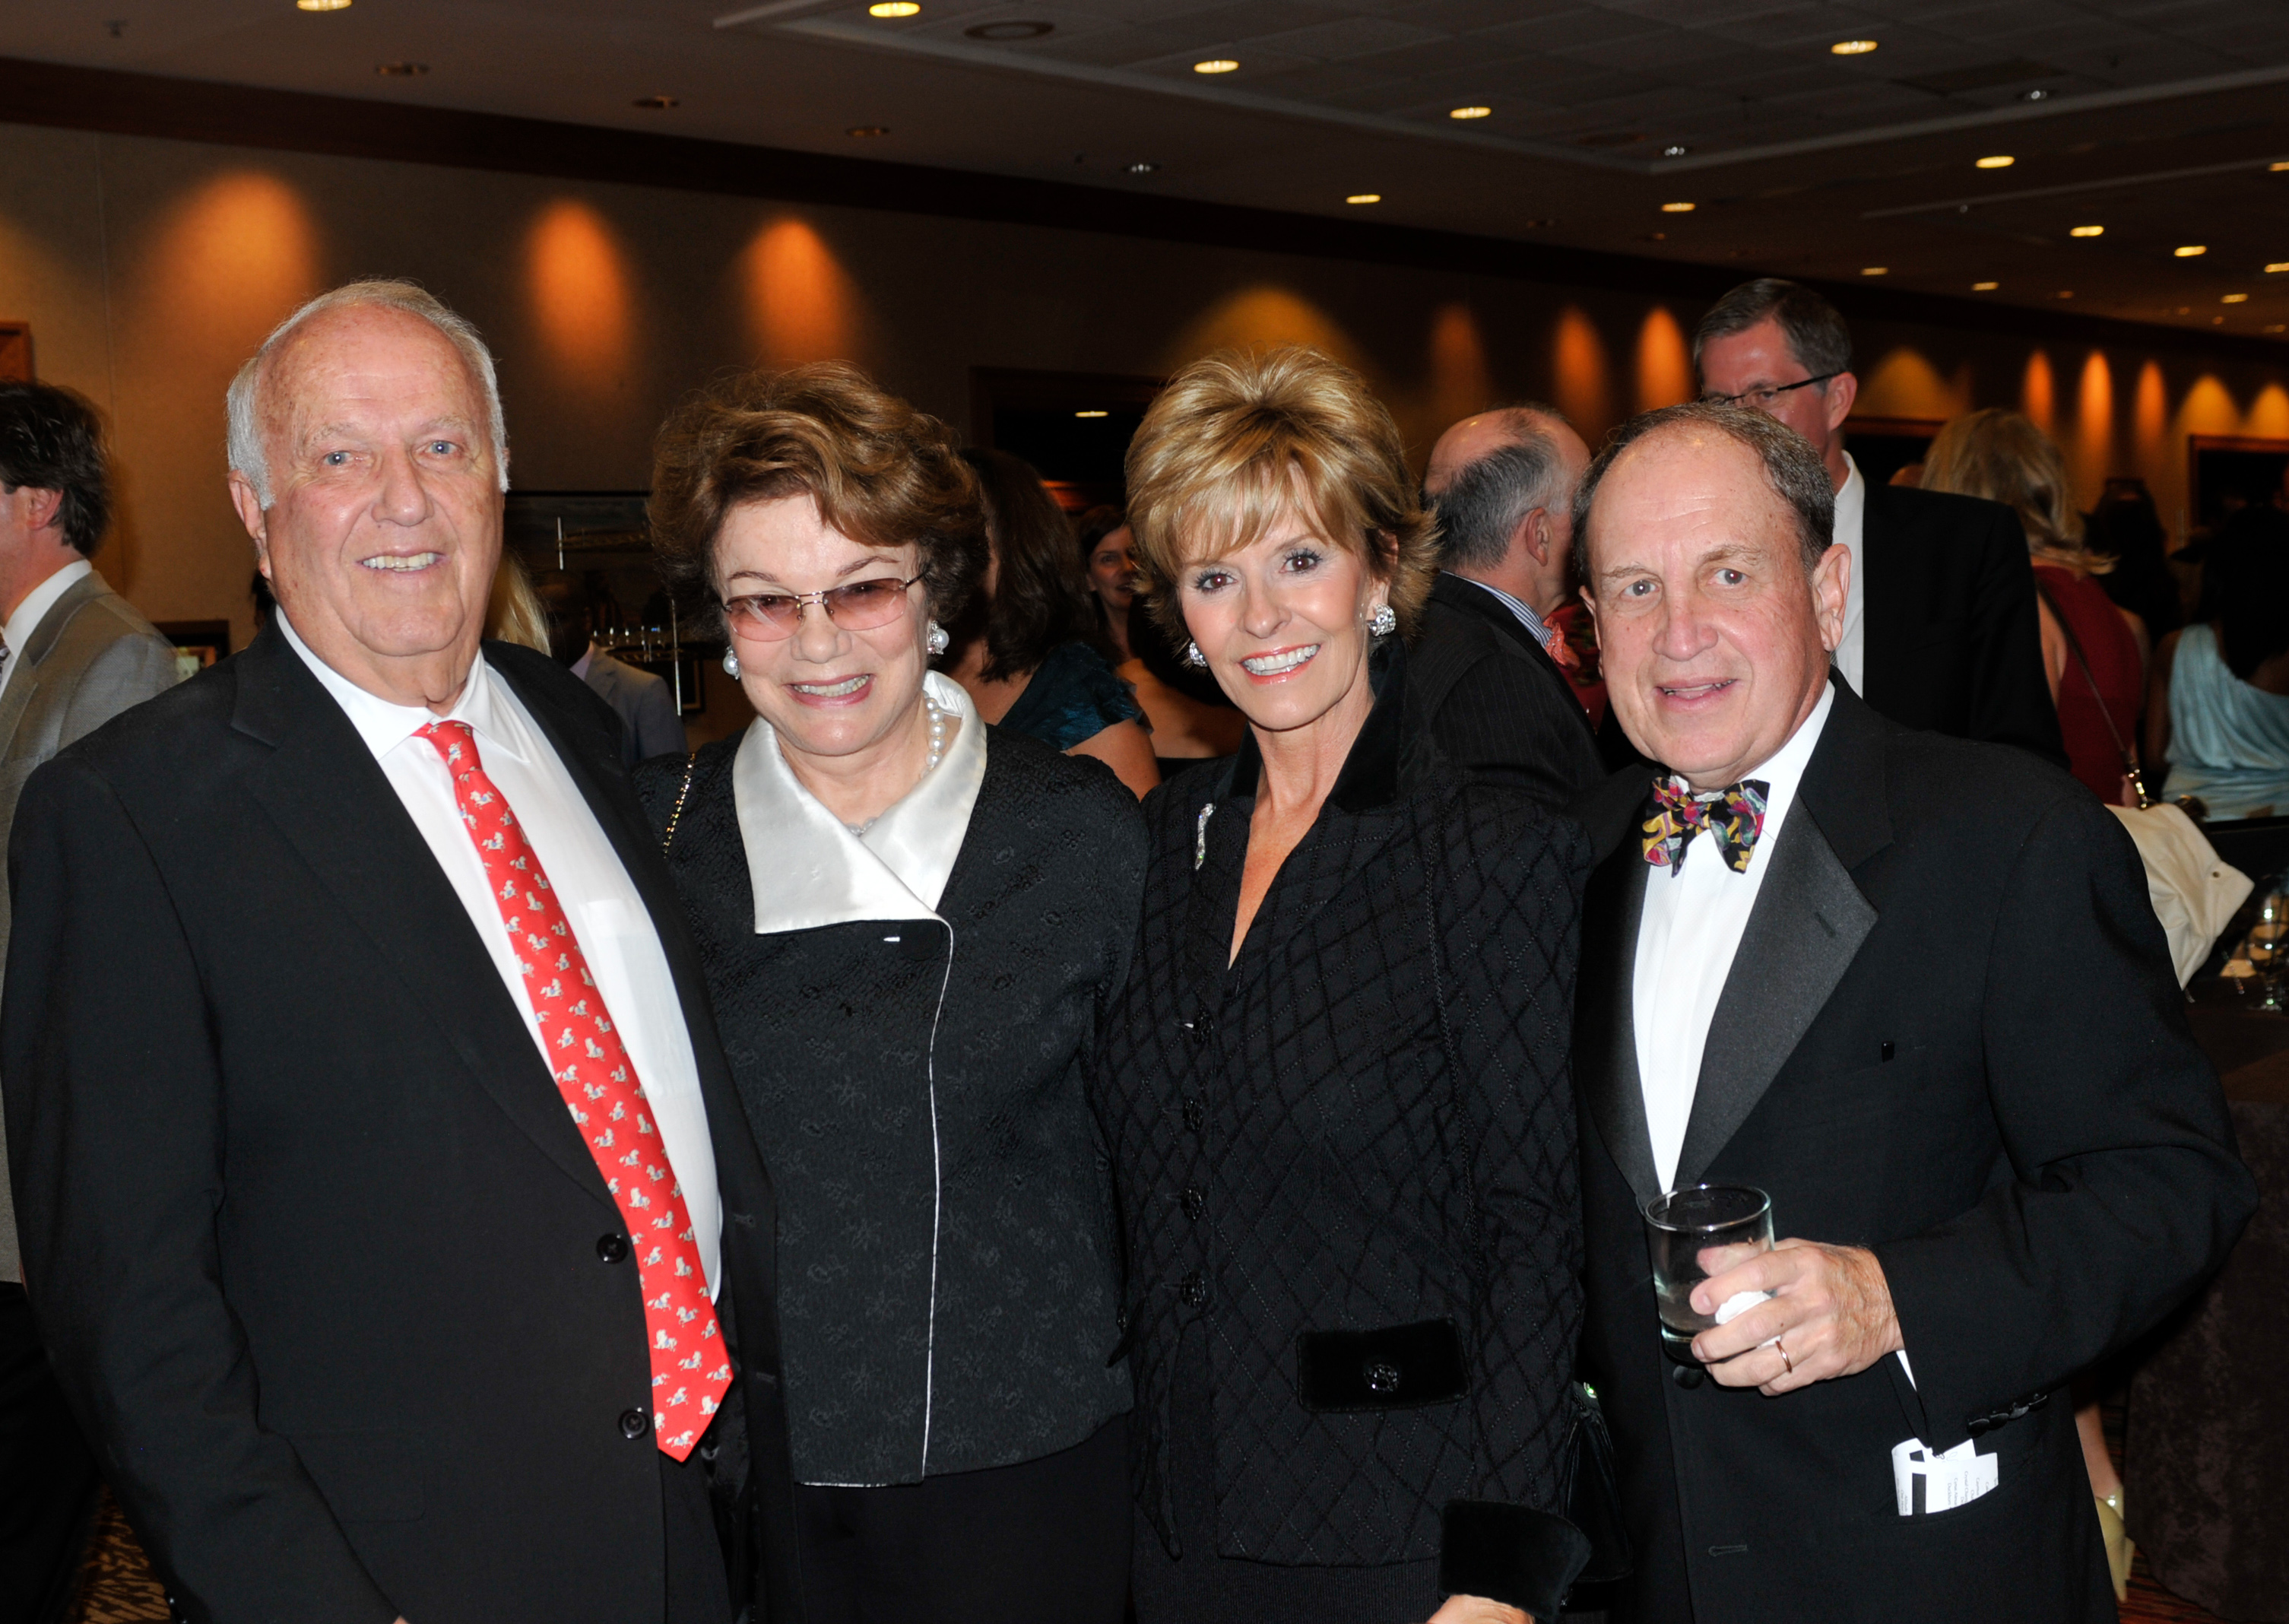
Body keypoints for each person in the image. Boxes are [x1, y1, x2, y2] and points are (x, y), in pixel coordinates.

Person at [2, 280, 799, 1624]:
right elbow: (131, 1319)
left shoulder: (578, 727)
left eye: (442, 446)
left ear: (499, 476)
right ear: (257, 510)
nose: (405, 499)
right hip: (397, 1570)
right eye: (339, 458)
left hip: (699, 1524)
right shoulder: (131, 814)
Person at [1565, 399, 2253, 1624]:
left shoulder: (2005, 837)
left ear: (1827, 594)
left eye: (1726, 572)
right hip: (1658, 1573)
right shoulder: (1573, 855)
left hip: (1923, 1569)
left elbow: (2166, 1181)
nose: (1677, 634)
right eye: (1630, 587)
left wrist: (1896, 1298)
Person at [635, 360, 1141, 1624]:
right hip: (752, 1481)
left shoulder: (1079, 832)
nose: (814, 643)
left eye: (860, 588)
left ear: (935, 594)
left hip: (1028, 1469)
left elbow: (1165, 1166)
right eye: (764, 601)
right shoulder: (654, 846)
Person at [1095, 345, 1592, 1624]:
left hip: (1408, 1535)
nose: (1261, 616)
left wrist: (1502, 1572)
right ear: (1179, 617)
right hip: (1183, 1525)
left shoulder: (1483, 847)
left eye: (1298, 560)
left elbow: (1537, 1230)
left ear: (1380, 569)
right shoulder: (1160, 849)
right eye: (1216, 577)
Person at [0, 380, 180, 1623]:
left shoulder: (113, 658)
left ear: (32, 501)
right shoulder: (25, 662)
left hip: (42, 1189)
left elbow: (110, 956)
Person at [1694, 279, 2065, 766]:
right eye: (1720, 403)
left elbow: (2024, 754)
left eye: (1765, 394)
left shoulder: (1964, 547)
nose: (1741, 423)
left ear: (1837, 399)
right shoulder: (1685, 554)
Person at [1923, 408, 2147, 804]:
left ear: (1954, 487)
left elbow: (2013, 775)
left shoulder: (2016, 603)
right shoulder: (2113, 611)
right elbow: (2126, 778)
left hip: (2050, 846)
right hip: (2103, 840)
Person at [1411, 404, 1604, 804]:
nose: (1598, 521)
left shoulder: (1430, 629)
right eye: (1585, 506)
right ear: (1540, 535)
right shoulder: (1493, 677)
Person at [945, 449, 1158, 795]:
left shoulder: (1077, 692)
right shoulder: (912, 672)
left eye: (961, 532)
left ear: (1019, 543)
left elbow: (1137, 841)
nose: (941, 553)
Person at [1080, 504, 1245, 774]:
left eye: (1134, 555)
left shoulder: (1192, 644)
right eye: (1108, 559)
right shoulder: (1085, 667)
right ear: (1088, 578)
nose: (1127, 568)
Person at [2147, 511, 2289, 820]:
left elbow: (2155, 756)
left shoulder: (2174, 646)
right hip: (2278, 817)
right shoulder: (2282, 656)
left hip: (2195, 819)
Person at [534, 566, 686, 767]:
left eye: (553, 621)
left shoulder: (643, 692)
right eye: (535, 623)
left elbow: (671, 786)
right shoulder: (527, 687)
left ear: (586, 620)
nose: (542, 633)